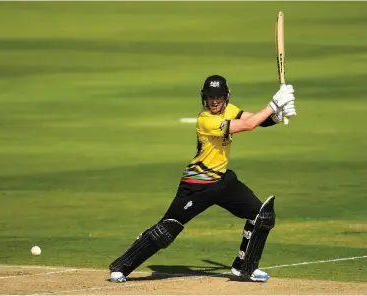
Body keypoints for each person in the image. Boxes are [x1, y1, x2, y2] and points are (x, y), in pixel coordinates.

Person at [109, 75, 297, 283]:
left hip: (223, 181)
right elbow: (248, 126)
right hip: (196, 185)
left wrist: (278, 116)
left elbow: (255, 120)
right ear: (204, 98)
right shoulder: (206, 119)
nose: (214, 101)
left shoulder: (229, 109)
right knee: (167, 228)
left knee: (261, 216)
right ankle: (121, 266)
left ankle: (245, 266)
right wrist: (274, 104)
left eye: (218, 97)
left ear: (225, 97)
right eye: (210, 97)